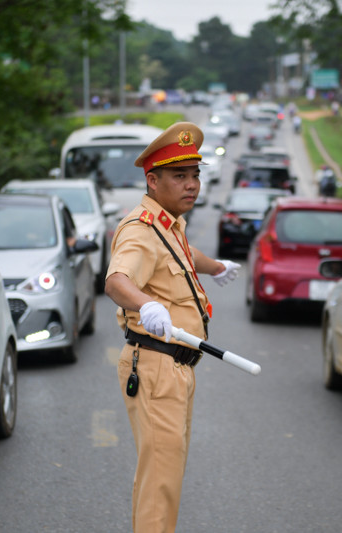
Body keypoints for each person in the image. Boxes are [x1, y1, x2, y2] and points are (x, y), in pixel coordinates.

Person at [104, 122, 240, 533]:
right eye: (179, 176)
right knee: (160, 480)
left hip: (176, 368)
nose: (192, 184)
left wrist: (217, 267)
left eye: (195, 174)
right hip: (156, 367)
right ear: (153, 180)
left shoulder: (167, 223)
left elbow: (184, 253)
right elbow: (116, 280)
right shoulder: (140, 230)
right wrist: (146, 304)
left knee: (166, 473)